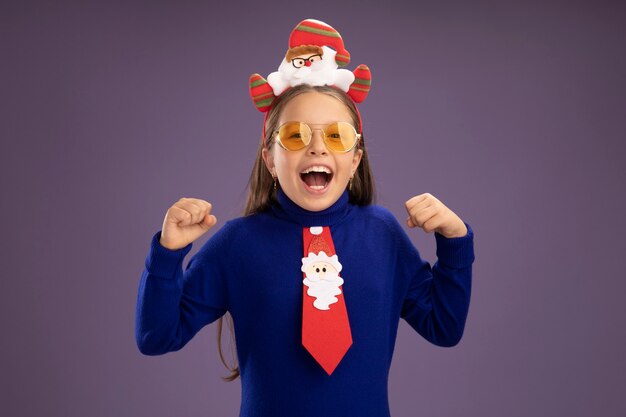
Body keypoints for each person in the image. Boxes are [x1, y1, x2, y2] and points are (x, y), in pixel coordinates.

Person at [135, 19, 474, 417]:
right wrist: (167, 253)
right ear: (270, 160)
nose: (316, 148)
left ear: (355, 159)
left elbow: (444, 327)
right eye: (295, 135)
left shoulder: (383, 235)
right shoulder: (237, 244)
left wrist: (455, 242)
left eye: (337, 136)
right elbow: (156, 336)